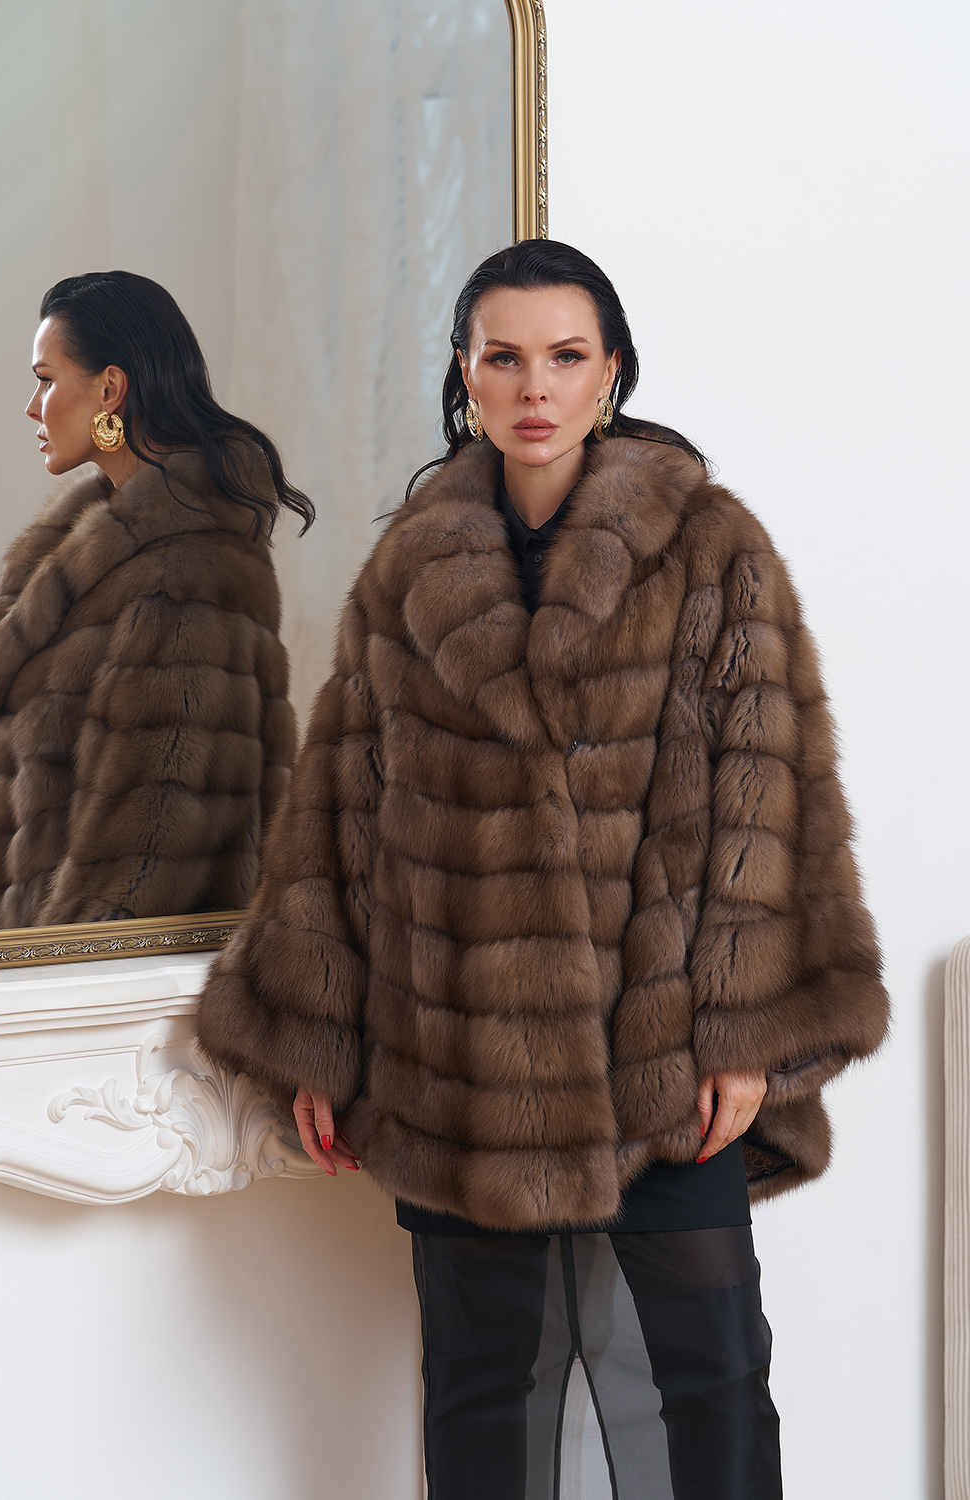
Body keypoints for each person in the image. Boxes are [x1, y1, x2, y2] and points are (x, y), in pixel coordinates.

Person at [196, 240, 889, 1499]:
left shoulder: (711, 548)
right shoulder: (408, 568)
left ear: (610, 371)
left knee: (709, 1371)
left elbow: (772, 792)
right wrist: (318, 1037)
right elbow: (338, 805)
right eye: (503, 357)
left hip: (660, 1049)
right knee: (480, 1381)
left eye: (565, 357)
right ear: (463, 374)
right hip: (460, 1057)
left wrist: (744, 1030)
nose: (534, 387)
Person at [0, 270, 309, 930]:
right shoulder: (89, 553)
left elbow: (146, 852)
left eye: (46, 379)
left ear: (110, 389)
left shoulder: (184, 570)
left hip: (96, 981)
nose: (33, 407)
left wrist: (39, 972)